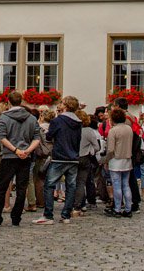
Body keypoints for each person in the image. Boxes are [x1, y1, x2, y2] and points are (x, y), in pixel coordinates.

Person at [0, 90, 41, 227]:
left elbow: (2, 138)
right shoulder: (31, 118)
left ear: (9, 102)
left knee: (1, 187)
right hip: (25, 156)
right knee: (21, 188)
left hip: (9, 156)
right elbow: (37, 138)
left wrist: (15, 150)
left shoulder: (4, 118)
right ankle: (16, 218)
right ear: (21, 101)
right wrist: (26, 151)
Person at [37, 96, 83, 224]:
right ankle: (66, 215)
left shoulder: (58, 121)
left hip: (60, 156)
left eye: (62, 103)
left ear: (66, 106)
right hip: (73, 157)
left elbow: (49, 136)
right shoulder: (78, 122)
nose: (60, 104)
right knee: (71, 186)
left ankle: (48, 215)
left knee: (49, 185)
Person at [104, 107, 134, 217]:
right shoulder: (128, 129)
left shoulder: (113, 131)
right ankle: (128, 209)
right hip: (127, 159)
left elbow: (110, 149)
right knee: (126, 185)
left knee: (117, 185)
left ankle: (117, 209)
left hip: (116, 160)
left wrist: (106, 160)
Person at [78, 111, 103, 212]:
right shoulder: (89, 131)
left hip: (74, 157)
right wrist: (91, 152)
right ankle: (91, 201)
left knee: (77, 182)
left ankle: (80, 202)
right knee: (88, 180)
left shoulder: (74, 129)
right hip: (85, 157)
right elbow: (97, 147)